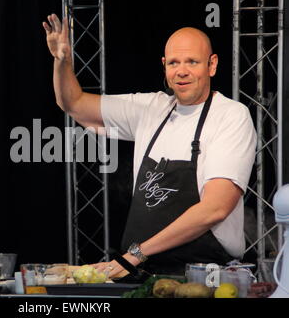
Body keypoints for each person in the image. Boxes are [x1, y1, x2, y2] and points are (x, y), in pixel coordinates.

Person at [42, 14, 257, 277]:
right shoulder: (150, 109)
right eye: (174, 63)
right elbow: (73, 104)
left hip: (202, 275)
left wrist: (135, 254)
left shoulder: (231, 116)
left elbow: (215, 208)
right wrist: (62, 61)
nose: (182, 71)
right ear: (164, 66)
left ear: (212, 65)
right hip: (143, 273)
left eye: (192, 62)